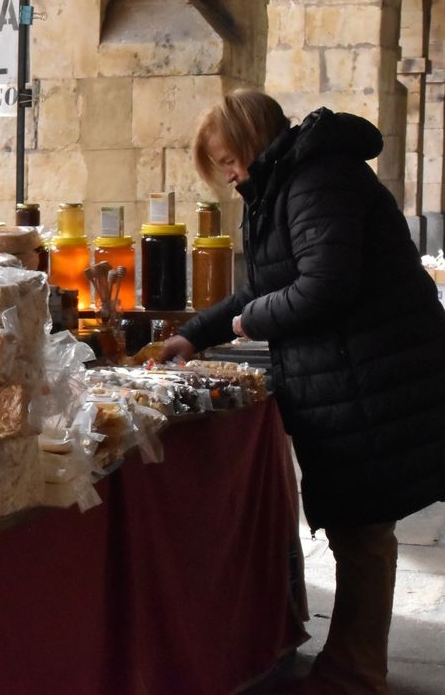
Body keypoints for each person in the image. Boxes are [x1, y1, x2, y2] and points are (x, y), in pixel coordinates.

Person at [159, 88, 445, 695]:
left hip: (371, 376)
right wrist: (194, 335)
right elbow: (263, 285)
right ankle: (350, 662)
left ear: (253, 140)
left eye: (229, 159)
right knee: (357, 525)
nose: (230, 174)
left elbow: (323, 286)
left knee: (364, 529)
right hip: (351, 376)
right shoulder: (281, 186)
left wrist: (249, 322)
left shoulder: (317, 180)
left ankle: (356, 674)